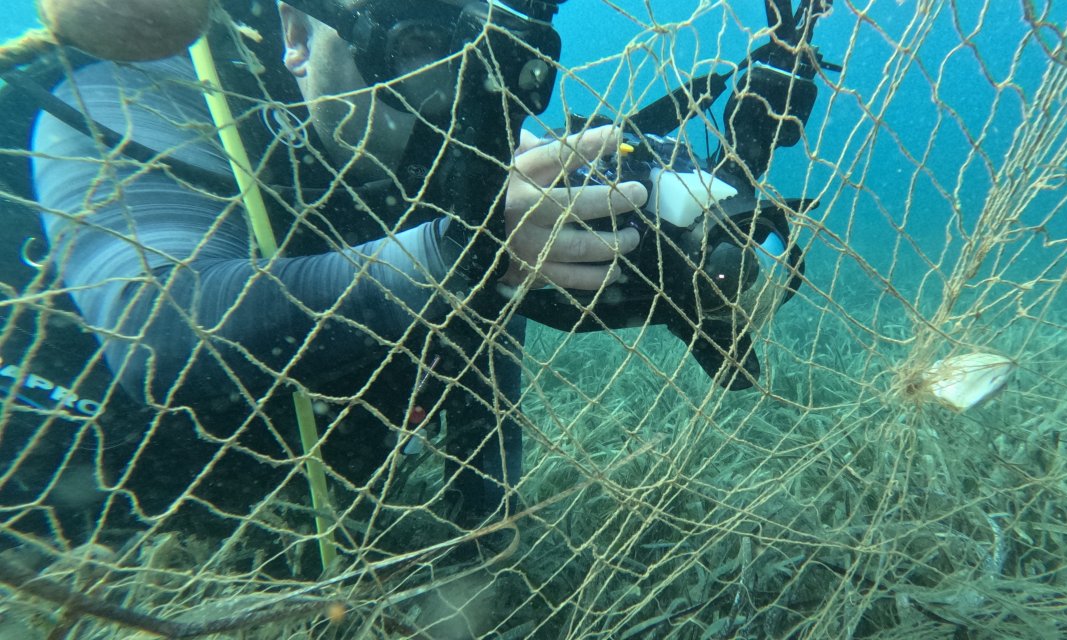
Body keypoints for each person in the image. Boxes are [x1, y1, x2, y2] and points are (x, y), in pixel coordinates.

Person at [1, 0, 646, 562]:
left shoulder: (456, 124)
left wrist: (484, 541)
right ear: (299, 37)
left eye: (478, 53)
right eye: (417, 41)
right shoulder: (144, 92)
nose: (449, 92)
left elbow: (482, 345)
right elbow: (157, 329)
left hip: (295, 499)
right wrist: (452, 253)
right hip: (71, 516)